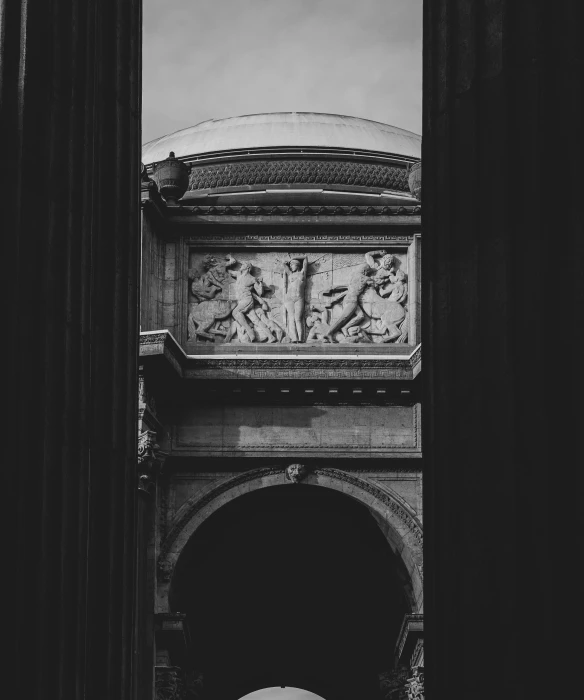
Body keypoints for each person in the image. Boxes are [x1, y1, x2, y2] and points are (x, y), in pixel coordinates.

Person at [280, 256, 308, 343]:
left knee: (298, 318)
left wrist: (293, 258)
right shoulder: (290, 274)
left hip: (299, 297)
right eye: (290, 265)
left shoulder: (302, 273)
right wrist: (287, 262)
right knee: (291, 318)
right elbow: (284, 264)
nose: (291, 266)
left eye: (293, 265)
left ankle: (300, 338)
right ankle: (294, 338)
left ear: (297, 265)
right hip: (289, 298)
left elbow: (305, 258)